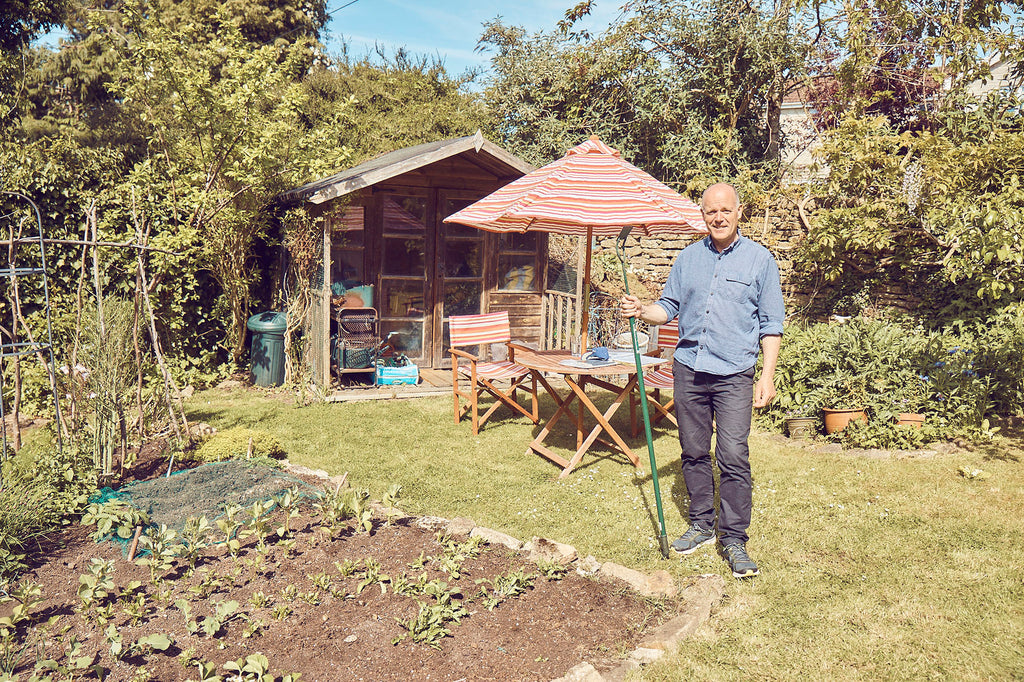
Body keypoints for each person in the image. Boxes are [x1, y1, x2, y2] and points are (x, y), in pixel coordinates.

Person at [620, 182, 784, 578]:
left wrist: (768, 375)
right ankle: (701, 524)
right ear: (703, 215)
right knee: (692, 451)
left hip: (734, 374)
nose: (719, 217)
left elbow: (771, 325)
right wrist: (643, 310)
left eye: (725, 210)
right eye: (711, 211)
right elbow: (668, 308)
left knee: (732, 455)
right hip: (690, 369)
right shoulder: (688, 258)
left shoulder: (761, 261)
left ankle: (734, 539)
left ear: (739, 212)